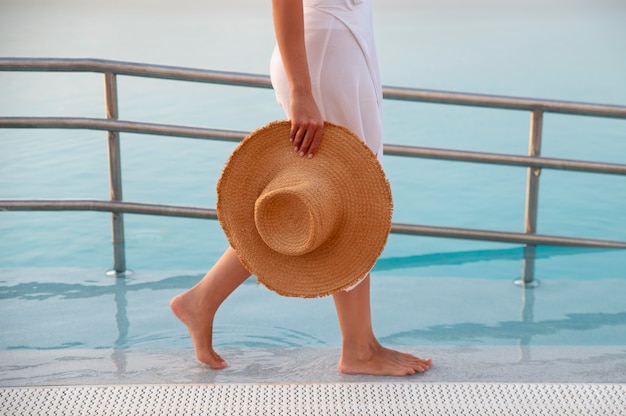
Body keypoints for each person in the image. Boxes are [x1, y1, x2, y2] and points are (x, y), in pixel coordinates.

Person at [170, 0, 432, 376]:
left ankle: (203, 300)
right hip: (325, 50)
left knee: (338, 196)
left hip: (346, 42)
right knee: (349, 196)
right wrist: (300, 89)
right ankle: (358, 348)